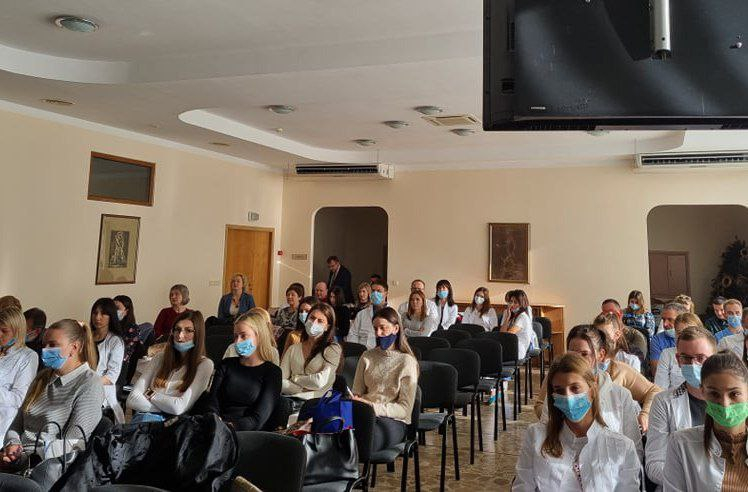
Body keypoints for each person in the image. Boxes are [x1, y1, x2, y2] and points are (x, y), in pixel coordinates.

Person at [513, 353, 642, 491]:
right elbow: (522, 486)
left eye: (575, 388)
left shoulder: (622, 447)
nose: (568, 397)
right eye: (559, 390)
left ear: (592, 391)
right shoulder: (537, 436)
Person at [1, 319, 103, 463]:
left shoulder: (90, 384)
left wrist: (27, 457)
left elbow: (74, 443)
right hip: (19, 459)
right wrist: (12, 443)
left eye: (53, 345)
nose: (45, 350)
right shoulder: (42, 378)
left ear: (74, 347)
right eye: (44, 345)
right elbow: (16, 424)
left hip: (48, 464)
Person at [533, 326, 646, 450]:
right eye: (572, 355)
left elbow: (634, 446)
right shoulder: (559, 394)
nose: (577, 361)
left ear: (601, 355)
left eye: (584, 354)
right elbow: (545, 434)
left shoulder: (620, 395)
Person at [663, 350, 748, 491]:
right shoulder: (681, 444)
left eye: (734, 394)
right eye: (714, 394)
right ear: (702, 392)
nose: (725, 404)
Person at [645, 326, 716, 489]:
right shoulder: (663, 402)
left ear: (714, 359)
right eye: (686, 358)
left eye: (700, 358)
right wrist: (692, 481)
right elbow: (654, 464)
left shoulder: (733, 402)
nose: (693, 364)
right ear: (678, 359)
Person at [351, 307, 418, 454]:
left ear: (396, 329)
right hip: (366, 415)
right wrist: (358, 402)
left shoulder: (406, 361)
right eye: (375, 329)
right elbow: (357, 393)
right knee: (336, 432)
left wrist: (372, 406)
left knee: (363, 438)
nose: (378, 333)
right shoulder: (367, 356)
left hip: (393, 420)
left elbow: (404, 410)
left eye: (383, 328)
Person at [127, 311, 213, 420]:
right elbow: (132, 399)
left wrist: (149, 393)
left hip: (173, 424)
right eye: (177, 329)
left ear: (198, 335)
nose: (180, 336)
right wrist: (166, 408)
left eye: (188, 330)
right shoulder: (160, 357)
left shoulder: (204, 364)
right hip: (145, 418)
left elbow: (179, 408)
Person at [207, 311, 282, 430]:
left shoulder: (272, 372)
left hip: (246, 432)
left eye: (243, 336)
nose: (237, 342)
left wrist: (229, 427)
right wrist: (215, 420)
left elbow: (259, 418)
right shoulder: (226, 365)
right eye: (235, 336)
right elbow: (213, 400)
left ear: (259, 336)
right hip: (217, 427)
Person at [281, 303, 342, 400]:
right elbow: (280, 381)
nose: (314, 323)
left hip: (319, 402)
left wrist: (295, 378)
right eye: (312, 318)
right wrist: (300, 389)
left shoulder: (333, 349)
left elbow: (319, 382)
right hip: (292, 400)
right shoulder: (293, 349)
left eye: (320, 321)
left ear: (327, 327)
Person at [0, 308, 38, 439]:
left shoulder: (28, 356)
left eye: (4, 331)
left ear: (17, 332)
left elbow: (19, 398)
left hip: (4, 423)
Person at [90, 298, 125, 417]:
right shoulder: (86, 337)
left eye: (103, 314)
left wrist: (88, 383)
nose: (98, 317)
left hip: (101, 389)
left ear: (111, 316)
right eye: (95, 313)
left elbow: (111, 376)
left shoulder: (115, 341)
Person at [655, 313, 704, 391]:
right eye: (679, 333)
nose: (683, 337)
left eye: (688, 333)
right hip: (672, 397)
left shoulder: (706, 354)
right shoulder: (667, 354)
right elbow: (660, 388)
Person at [650, 302, 688, 376]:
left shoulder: (695, 338)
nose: (665, 324)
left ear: (682, 320)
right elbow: (657, 372)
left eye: (670, 320)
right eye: (663, 319)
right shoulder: (657, 340)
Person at [348, 281, 389, 349]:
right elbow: (353, 334)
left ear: (386, 293)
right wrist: (357, 349)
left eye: (379, 291)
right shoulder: (361, 314)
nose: (375, 293)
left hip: (384, 351)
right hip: (362, 351)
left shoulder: (393, 314)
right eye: (373, 291)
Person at [499, 290, 538, 360]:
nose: (512, 304)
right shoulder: (513, 316)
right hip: (510, 346)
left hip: (518, 350)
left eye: (515, 302)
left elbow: (507, 336)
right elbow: (501, 334)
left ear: (521, 304)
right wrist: (507, 318)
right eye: (511, 301)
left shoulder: (522, 317)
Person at [113, 295, 141, 365]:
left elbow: (126, 355)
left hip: (121, 364)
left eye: (117, 308)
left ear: (126, 311)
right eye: (112, 308)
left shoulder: (133, 329)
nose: (113, 311)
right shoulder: (108, 326)